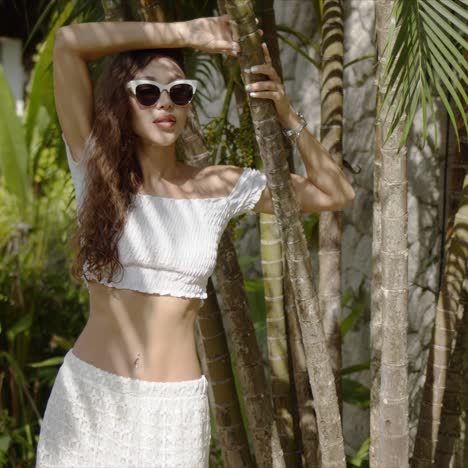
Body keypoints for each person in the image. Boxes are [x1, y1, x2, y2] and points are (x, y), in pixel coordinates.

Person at [35, 13, 355, 468]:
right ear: (124, 102)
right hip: (91, 396)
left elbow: (335, 193)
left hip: (173, 413)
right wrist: (185, 35)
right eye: (147, 92)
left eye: (179, 93)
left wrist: (284, 109)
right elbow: (67, 43)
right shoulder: (95, 167)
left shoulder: (218, 185)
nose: (165, 103)